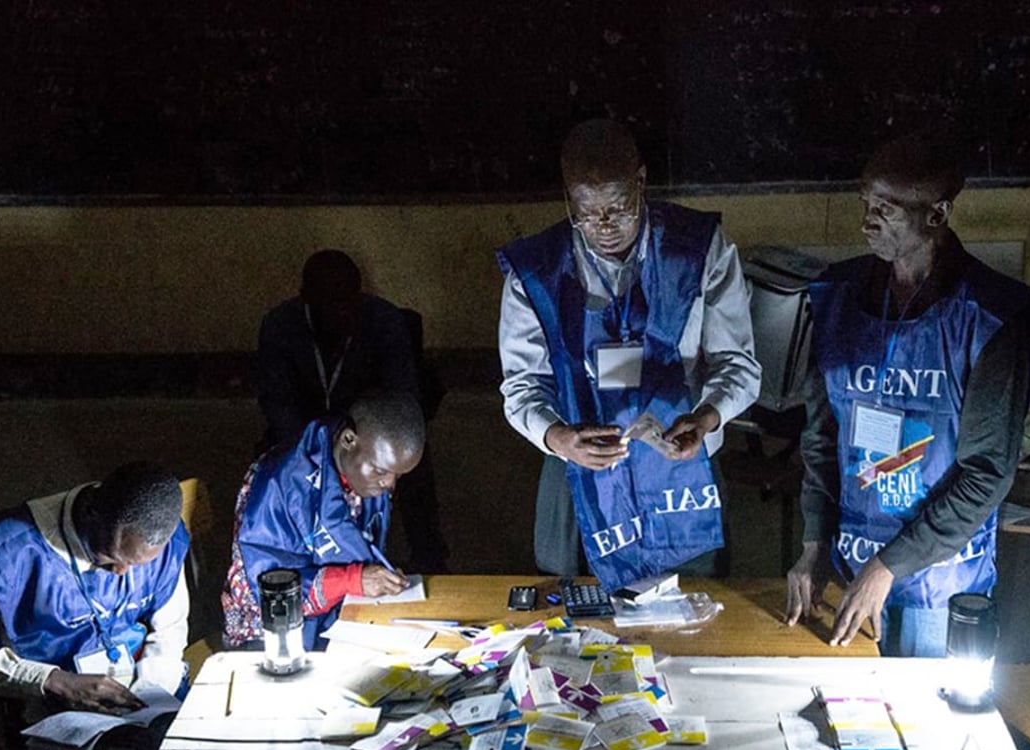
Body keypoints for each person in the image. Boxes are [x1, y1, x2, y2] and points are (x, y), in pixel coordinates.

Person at [785, 132, 1030, 656]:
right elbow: (822, 433)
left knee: (928, 723)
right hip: (850, 562)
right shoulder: (839, 297)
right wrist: (815, 540)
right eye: (865, 203)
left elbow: (986, 474)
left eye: (885, 209)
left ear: (936, 214)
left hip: (937, 580)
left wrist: (887, 568)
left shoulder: (992, 318)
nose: (867, 221)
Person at [497, 118, 760, 593]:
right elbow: (521, 387)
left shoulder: (697, 249)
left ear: (641, 182)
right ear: (567, 198)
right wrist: (557, 438)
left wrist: (706, 419)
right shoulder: (536, 270)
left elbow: (738, 366)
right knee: (578, 608)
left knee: (692, 606)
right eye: (586, 212)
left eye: (617, 208)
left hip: (680, 461)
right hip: (580, 468)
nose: (603, 227)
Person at [0, 461, 190, 750]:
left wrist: (152, 688)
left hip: (142, 701)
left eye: (138, 564)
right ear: (92, 514)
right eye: (109, 560)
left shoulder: (163, 537)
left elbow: (171, 628)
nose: (123, 573)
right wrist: (55, 681)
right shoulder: (11, 552)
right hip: (58, 722)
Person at [256, 248, 449, 573]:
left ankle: (431, 563)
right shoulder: (280, 326)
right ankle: (312, 562)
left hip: (368, 431)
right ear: (306, 298)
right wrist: (319, 451)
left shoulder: (384, 321)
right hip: (304, 434)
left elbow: (402, 397)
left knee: (404, 464)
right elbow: (277, 402)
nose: (342, 310)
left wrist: (366, 438)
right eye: (331, 301)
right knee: (279, 474)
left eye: (349, 298)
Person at [222, 393, 424, 650]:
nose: (389, 484)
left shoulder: (359, 468)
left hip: (342, 613)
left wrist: (374, 576)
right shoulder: (280, 482)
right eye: (382, 471)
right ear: (349, 439)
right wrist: (351, 580)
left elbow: (359, 548)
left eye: (398, 476)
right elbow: (265, 588)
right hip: (270, 636)